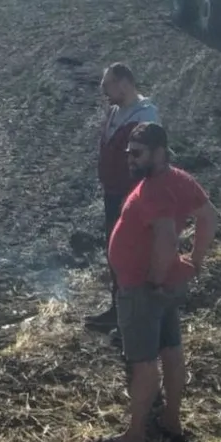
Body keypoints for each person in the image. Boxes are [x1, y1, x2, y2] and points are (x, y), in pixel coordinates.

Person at [100, 123, 217, 442]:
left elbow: (166, 238)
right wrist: (195, 260)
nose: (130, 160)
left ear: (160, 151)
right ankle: (171, 420)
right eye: (128, 153)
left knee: (144, 363)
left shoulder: (152, 191)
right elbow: (209, 217)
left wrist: (152, 279)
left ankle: (135, 436)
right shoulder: (179, 179)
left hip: (143, 289)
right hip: (168, 284)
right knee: (172, 351)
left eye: (137, 153)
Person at [86, 63, 161, 331]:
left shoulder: (145, 116)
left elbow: (150, 161)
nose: (105, 92)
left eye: (108, 85)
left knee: (131, 254)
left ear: (124, 83)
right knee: (115, 251)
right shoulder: (117, 112)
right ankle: (118, 310)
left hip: (133, 198)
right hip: (114, 194)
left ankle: (133, 317)